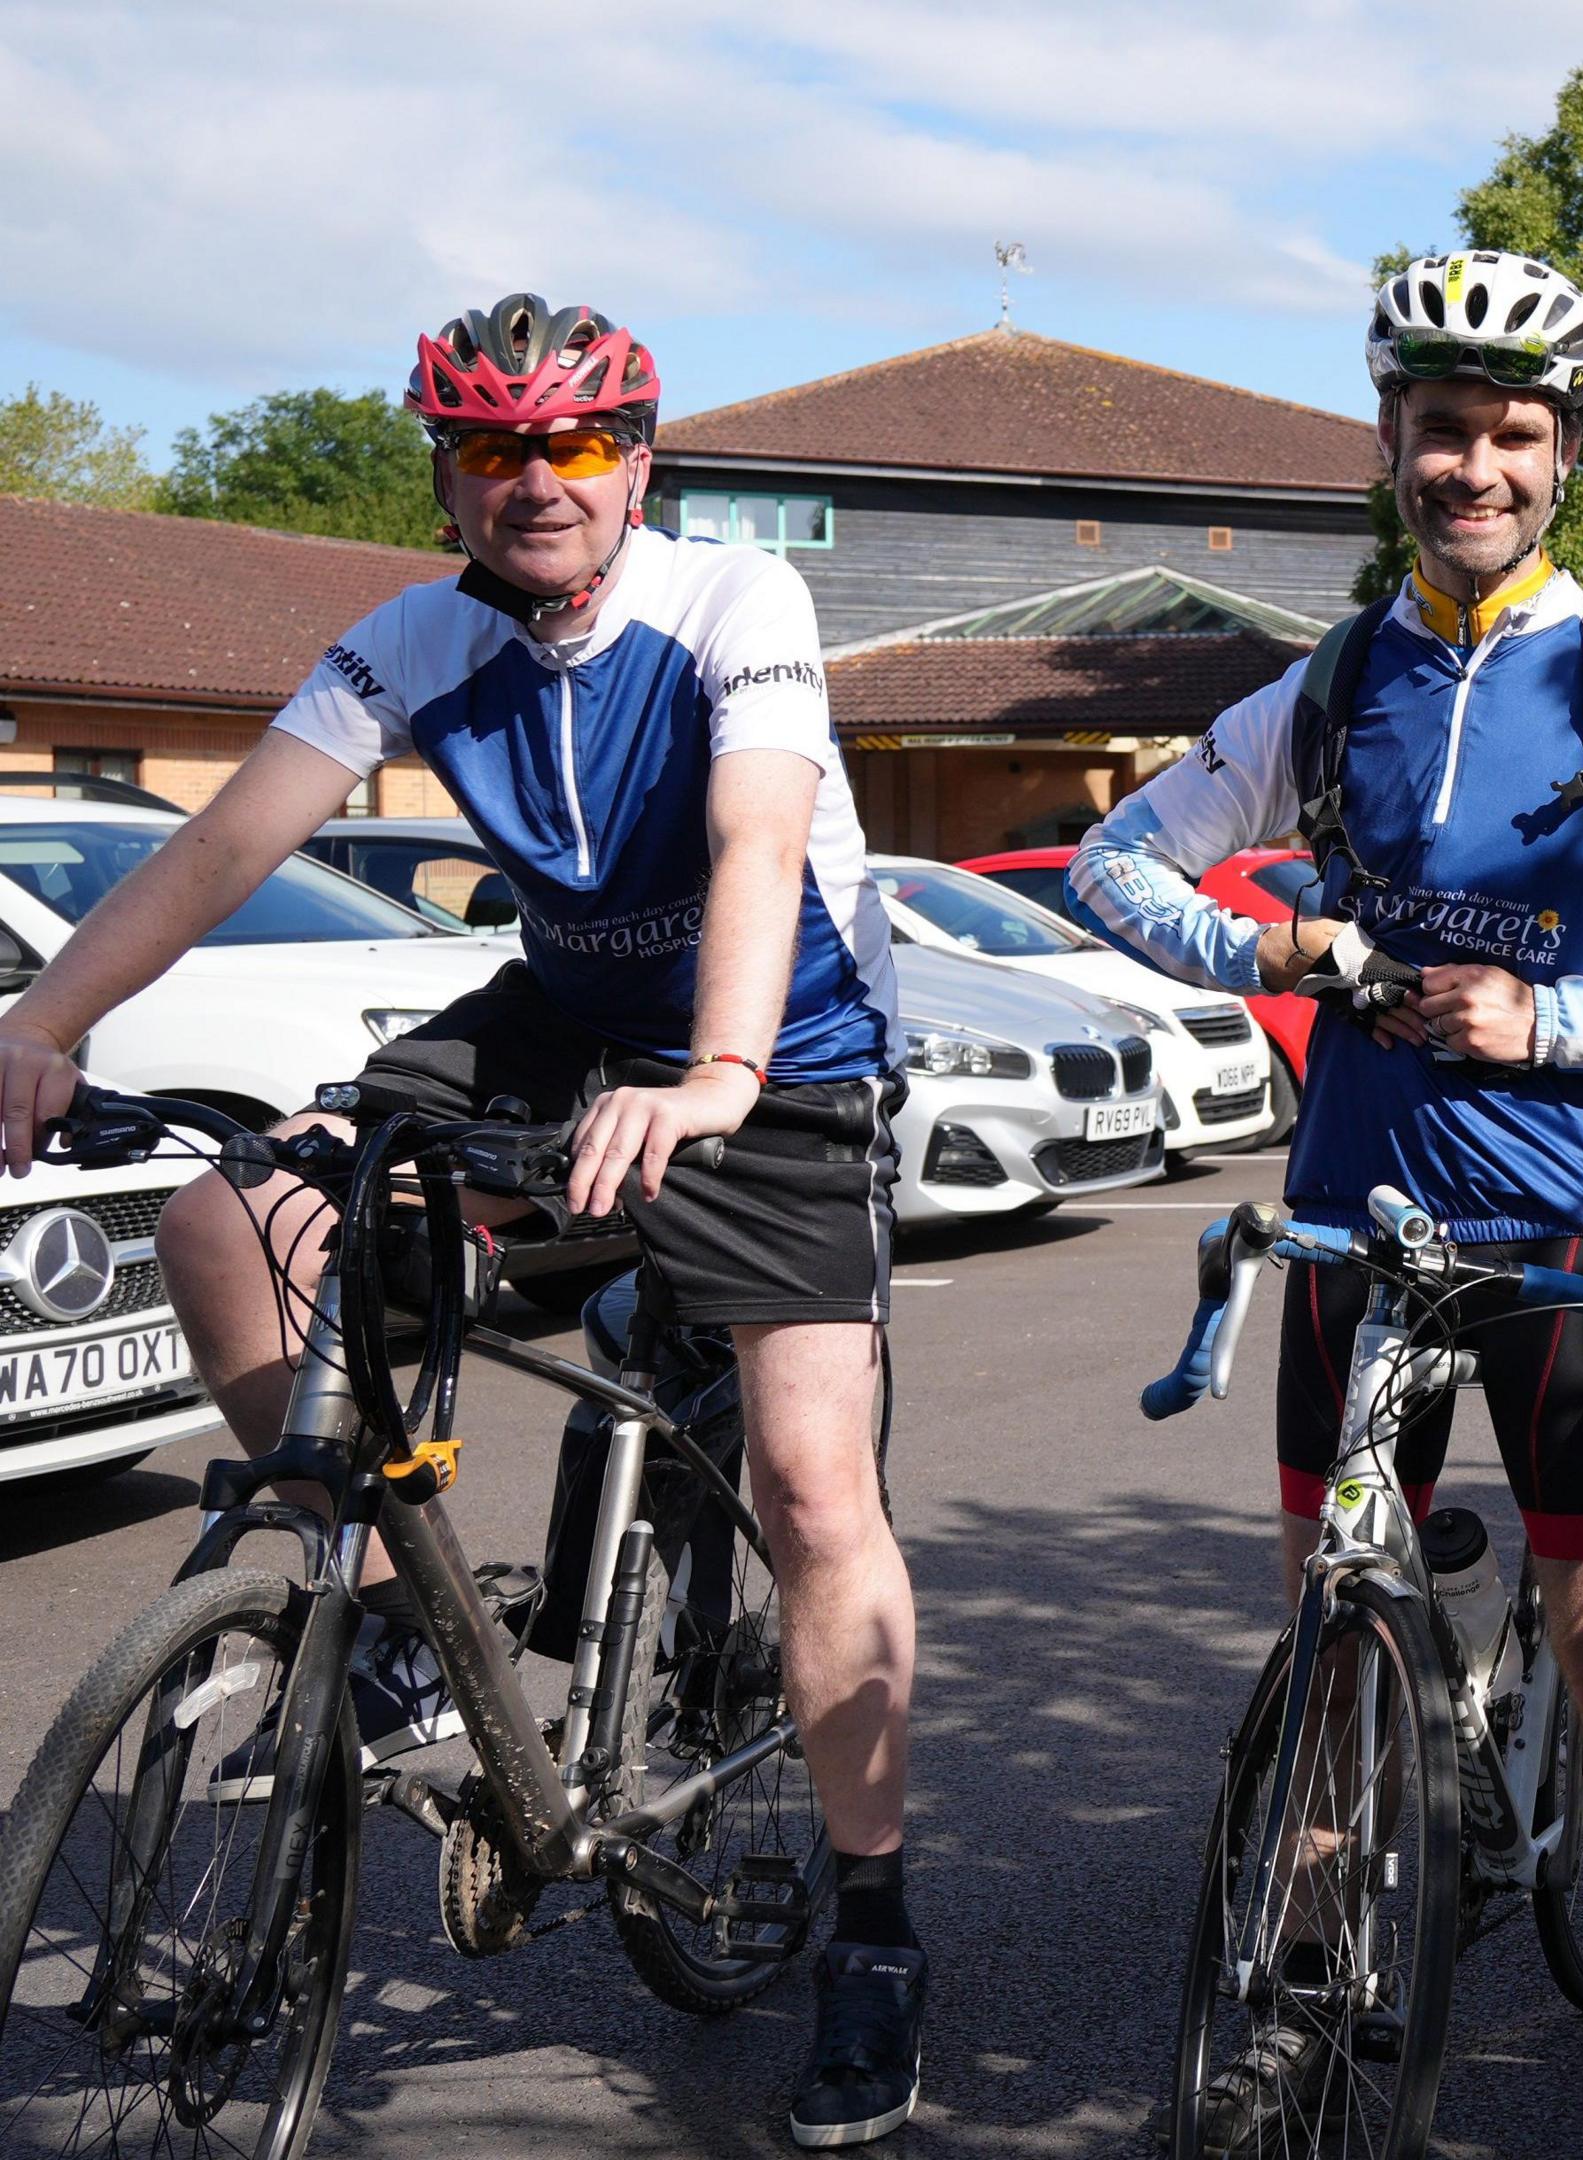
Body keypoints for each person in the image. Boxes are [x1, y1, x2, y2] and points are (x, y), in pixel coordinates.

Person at [0, 293, 929, 2148]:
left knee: (818, 1490)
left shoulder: (737, 605)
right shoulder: (412, 640)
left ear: (638, 461)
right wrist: (41, 1021)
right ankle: (386, 1624)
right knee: (228, 1216)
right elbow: (216, 846)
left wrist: (724, 1075)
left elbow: (755, 841)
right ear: (445, 474)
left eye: (576, 444)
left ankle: (879, 1936)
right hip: (570, 1017)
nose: (539, 481)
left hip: (786, 1048)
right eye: (495, 449)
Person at [1070, 249, 1583, 2160]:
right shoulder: (1330, 686)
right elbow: (1109, 867)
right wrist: (1300, 944)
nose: (1471, 464)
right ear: (1392, 444)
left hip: (1567, 1235)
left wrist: (1561, 1015)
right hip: (1351, 1224)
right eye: (1439, 429)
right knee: (1330, 1646)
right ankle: (1312, 1995)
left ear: (1561, 452)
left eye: (1510, 431)